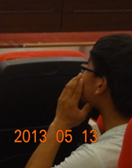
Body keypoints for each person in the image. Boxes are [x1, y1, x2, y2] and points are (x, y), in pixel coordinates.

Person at [26, 33, 132, 168]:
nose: (81, 75)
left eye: (86, 68)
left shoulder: (96, 157)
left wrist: (60, 123)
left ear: (100, 84)